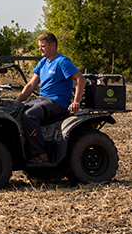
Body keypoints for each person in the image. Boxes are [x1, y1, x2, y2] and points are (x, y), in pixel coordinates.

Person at [16, 32, 85, 163]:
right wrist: (16, 103)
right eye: (39, 46)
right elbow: (31, 85)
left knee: (30, 115)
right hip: (43, 99)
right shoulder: (43, 62)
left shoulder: (62, 62)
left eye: (42, 46)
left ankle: (41, 155)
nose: (39, 49)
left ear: (53, 45)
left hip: (57, 102)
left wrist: (76, 101)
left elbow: (80, 79)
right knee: (19, 111)